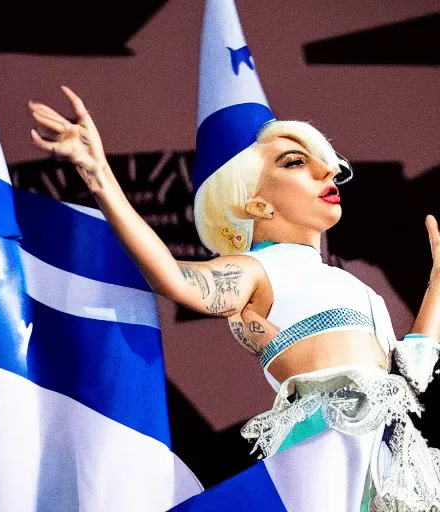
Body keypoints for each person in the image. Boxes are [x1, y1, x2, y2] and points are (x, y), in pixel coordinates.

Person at [29, 86, 440, 511]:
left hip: (390, 461)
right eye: (297, 162)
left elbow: (412, 369)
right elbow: (177, 278)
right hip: (324, 454)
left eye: (328, 164)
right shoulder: (258, 268)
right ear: (256, 203)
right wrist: (99, 175)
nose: (327, 172)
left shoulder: (359, 288)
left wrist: (437, 283)